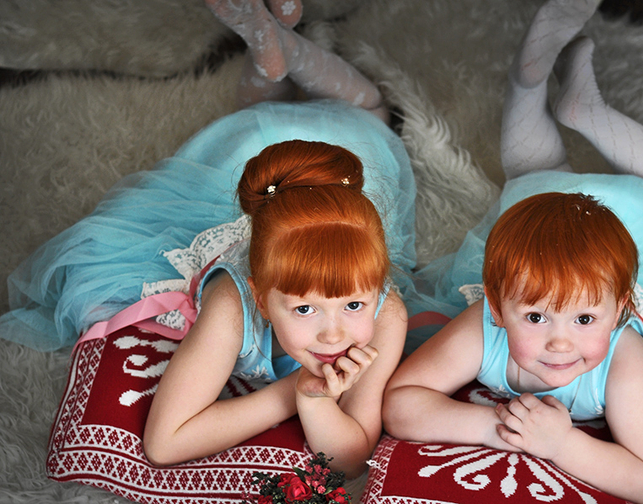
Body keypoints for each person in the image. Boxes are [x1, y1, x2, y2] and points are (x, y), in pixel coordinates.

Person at [0, 0, 415, 478]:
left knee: (360, 108)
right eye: (304, 309)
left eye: (354, 304)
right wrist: (293, 389)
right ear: (260, 296)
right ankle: (278, 48)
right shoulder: (232, 302)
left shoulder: (387, 314)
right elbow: (165, 443)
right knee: (321, 112)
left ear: (376, 286)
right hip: (269, 160)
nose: (333, 334)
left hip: (342, 162)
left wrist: (315, 399)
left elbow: (354, 459)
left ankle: (275, 47)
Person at [383, 0, 643, 502]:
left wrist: (561, 444)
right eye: (535, 318)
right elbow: (401, 402)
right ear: (497, 307)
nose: (560, 343)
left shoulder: (624, 356)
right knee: (534, 179)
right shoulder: (484, 322)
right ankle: (537, 87)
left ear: (621, 312)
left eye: (584, 320)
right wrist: (496, 427)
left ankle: (572, 106)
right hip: (576, 263)